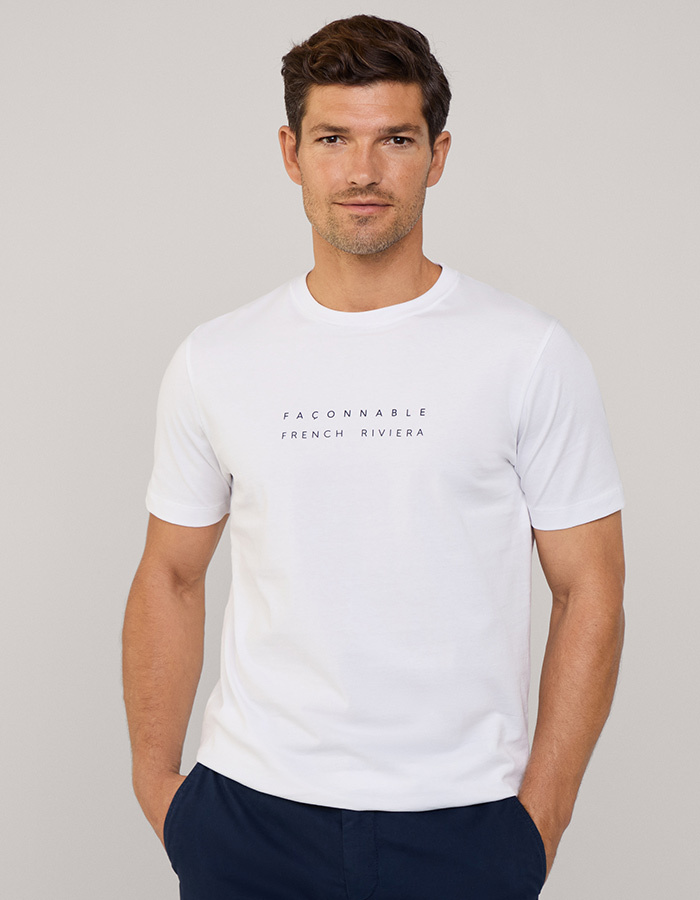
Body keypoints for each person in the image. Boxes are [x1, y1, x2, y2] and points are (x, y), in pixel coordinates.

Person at [122, 14, 625, 900]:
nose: (362, 171)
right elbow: (171, 573)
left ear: (437, 155)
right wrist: (162, 791)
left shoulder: (528, 354)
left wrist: (540, 819)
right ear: (291, 153)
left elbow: (591, 588)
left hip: (464, 822)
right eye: (333, 139)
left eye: (395, 138)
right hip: (249, 813)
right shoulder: (216, 358)